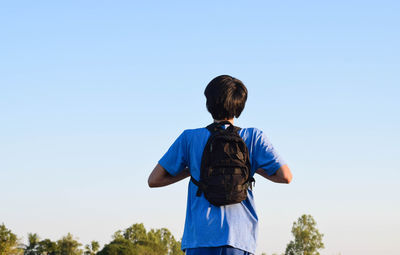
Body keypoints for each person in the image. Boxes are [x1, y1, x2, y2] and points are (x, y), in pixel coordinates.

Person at [148, 75, 292, 255]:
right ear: (240, 105)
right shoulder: (253, 137)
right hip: (240, 239)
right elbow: (286, 176)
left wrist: (191, 170)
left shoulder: (189, 138)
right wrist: (252, 167)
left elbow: (154, 180)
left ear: (209, 104)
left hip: (199, 238)